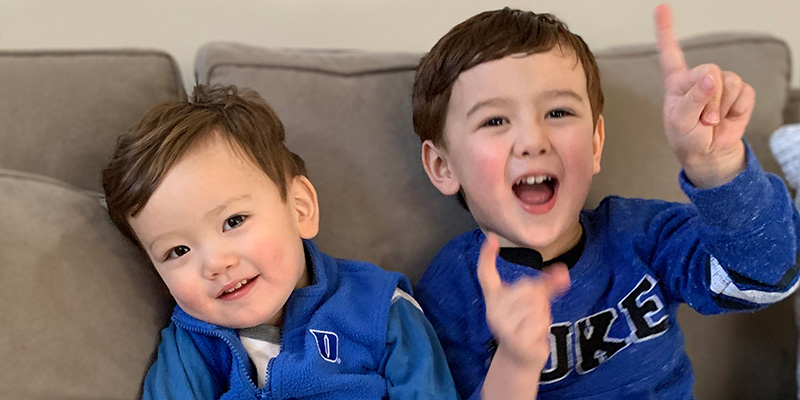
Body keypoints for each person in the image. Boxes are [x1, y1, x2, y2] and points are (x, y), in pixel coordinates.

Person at [412, 5, 800, 399]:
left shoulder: (641, 234)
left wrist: (717, 166)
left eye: (558, 112)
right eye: (494, 121)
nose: (533, 141)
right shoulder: (453, 289)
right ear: (443, 166)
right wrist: (515, 363)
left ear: (596, 143)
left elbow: (767, 278)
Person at [101, 85, 461, 399]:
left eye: (234, 221)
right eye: (178, 251)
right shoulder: (193, 343)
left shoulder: (380, 308)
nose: (214, 263)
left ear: (300, 209)